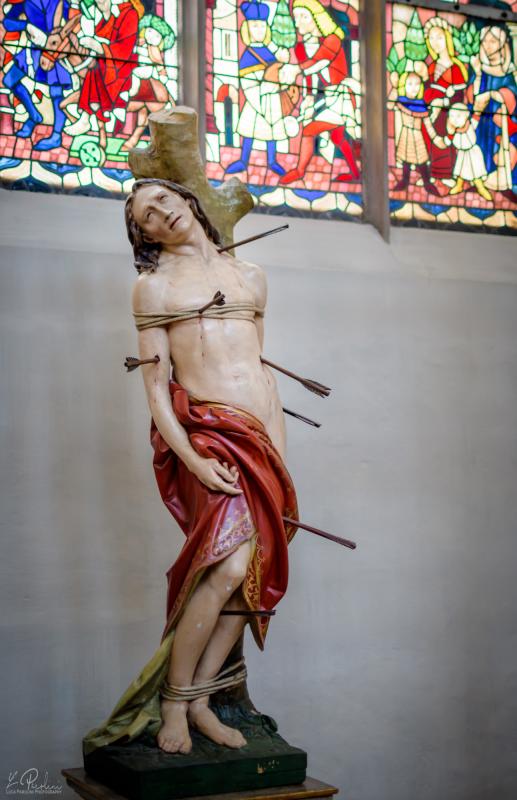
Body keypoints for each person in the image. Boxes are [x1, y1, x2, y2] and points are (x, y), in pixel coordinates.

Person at [82, 179, 298, 756]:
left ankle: (202, 700)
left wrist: (279, 456)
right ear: (143, 235)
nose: (161, 213)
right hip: (207, 437)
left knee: (251, 575)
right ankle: (175, 702)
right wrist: (195, 461)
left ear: (187, 202)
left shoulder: (251, 276)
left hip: (261, 440)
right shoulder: (152, 290)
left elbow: (262, 373)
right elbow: (156, 390)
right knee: (225, 566)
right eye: (145, 215)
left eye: (164, 200)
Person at [279, 0, 361, 185]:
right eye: (296, 17)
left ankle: (300, 171)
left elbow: (319, 62)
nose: (298, 22)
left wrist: (296, 69)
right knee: (338, 136)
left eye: (303, 16)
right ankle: (356, 174)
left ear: (316, 18)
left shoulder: (332, 40)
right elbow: (311, 78)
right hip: (323, 99)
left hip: (340, 98)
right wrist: (308, 98)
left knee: (308, 131)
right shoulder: (300, 48)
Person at [226, 0, 291, 176]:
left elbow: (281, 73)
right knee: (250, 130)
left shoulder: (271, 51)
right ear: (247, 29)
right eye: (255, 27)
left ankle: (272, 161)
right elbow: (247, 82)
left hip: (273, 99)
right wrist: (260, 96)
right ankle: (243, 161)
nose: (259, 31)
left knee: (272, 132)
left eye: (262, 27)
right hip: (256, 100)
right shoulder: (248, 55)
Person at [2, 0, 74, 150]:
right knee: (10, 80)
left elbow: (74, 26)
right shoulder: (26, 2)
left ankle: (56, 135)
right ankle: (34, 115)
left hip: (54, 53)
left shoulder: (62, 2)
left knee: (57, 94)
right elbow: (7, 22)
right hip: (32, 53)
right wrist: (26, 26)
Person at [467, 24, 517, 201]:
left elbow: (511, 94)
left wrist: (494, 94)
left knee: (500, 151)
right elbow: (471, 95)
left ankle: (503, 186)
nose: (488, 45)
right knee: (481, 149)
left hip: (499, 121)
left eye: (493, 41)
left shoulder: (507, 71)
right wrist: (478, 74)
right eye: (485, 41)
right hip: (482, 119)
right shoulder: (478, 67)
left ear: (502, 43)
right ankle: (479, 182)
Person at [422, 17, 468, 182]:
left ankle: (446, 174)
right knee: (429, 139)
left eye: (439, 37)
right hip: (431, 111)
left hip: (447, 114)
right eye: (432, 38)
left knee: (444, 139)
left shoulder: (455, 68)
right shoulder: (431, 66)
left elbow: (460, 97)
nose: (435, 42)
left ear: (447, 38)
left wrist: (445, 102)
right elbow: (426, 89)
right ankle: (432, 172)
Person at [425, 102, 492, 201]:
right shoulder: (452, 131)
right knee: (460, 171)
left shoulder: (470, 124)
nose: (455, 119)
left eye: (458, 116)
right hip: (461, 154)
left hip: (472, 153)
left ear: (466, 116)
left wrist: (479, 108)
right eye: (452, 116)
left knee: (475, 172)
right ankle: (459, 186)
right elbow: (446, 142)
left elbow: (476, 116)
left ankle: (481, 188)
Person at [392, 71, 439, 196]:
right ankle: (404, 181)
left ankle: (427, 183)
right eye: (410, 84)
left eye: (417, 84)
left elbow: (428, 123)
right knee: (405, 159)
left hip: (416, 136)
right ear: (403, 85)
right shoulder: (400, 101)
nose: (414, 88)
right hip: (405, 134)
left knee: (421, 159)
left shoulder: (421, 104)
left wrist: (435, 137)